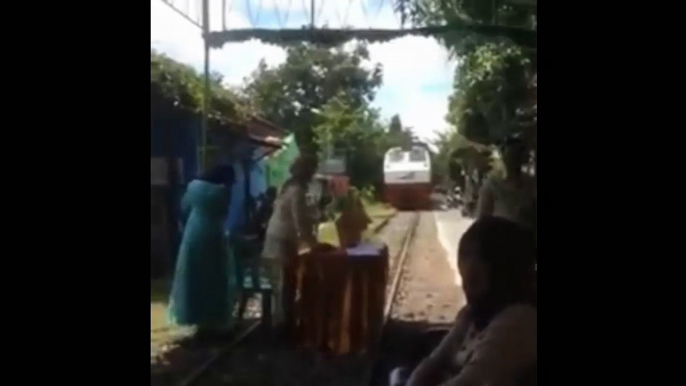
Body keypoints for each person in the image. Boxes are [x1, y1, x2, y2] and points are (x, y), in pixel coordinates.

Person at [391, 216, 537, 386]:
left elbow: (470, 381)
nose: (466, 285)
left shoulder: (518, 321)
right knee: (399, 372)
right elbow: (435, 360)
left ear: (502, 274)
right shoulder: (475, 313)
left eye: (474, 279)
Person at [167, 165, 236, 338]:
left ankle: (195, 318)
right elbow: (224, 213)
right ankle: (213, 320)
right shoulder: (223, 192)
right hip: (214, 234)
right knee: (214, 276)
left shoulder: (193, 187)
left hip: (194, 231)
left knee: (193, 275)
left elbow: (183, 209)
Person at [262, 155, 320, 334]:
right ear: (307, 171)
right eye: (312, 169)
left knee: (286, 284)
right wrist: (314, 244)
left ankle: (285, 323)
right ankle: (282, 328)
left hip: (278, 239)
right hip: (281, 241)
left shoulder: (289, 186)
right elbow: (299, 221)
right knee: (284, 285)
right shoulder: (296, 190)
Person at [476, 135, 536, 229]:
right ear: (504, 157)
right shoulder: (492, 185)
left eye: (518, 154)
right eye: (511, 154)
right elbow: (481, 222)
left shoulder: (531, 183)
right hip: (502, 239)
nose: (514, 158)